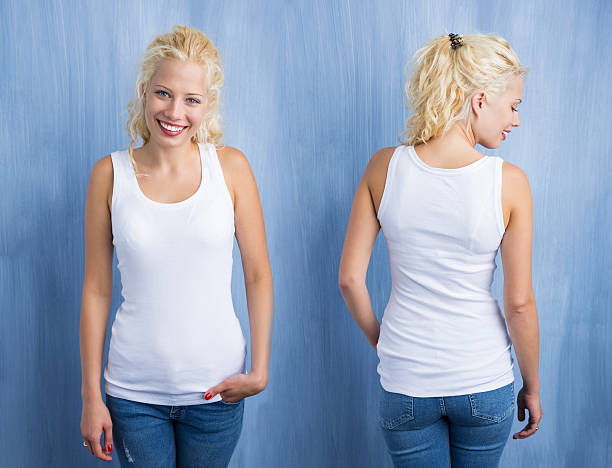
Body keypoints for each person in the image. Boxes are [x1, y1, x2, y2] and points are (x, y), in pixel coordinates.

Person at [339, 33, 542, 467]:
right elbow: (520, 303)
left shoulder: (383, 167)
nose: (516, 120)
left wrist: (386, 343)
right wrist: (532, 385)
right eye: (514, 106)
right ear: (480, 100)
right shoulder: (509, 183)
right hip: (482, 378)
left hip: (406, 380)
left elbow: (350, 280)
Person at [79, 25, 273, 467]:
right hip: (132, 396)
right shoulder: (108, 175)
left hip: (216, 390)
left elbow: (258, 274)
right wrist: (92, 397)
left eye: (192, 100)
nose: (174, 111)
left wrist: (259, 369)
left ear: (208, 105)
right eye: (163, 93)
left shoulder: (232, 168)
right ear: (145, 91)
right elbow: (95, 290)